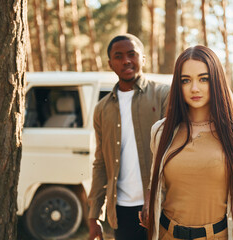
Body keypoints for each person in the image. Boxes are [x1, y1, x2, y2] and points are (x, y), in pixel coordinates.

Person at [141, 45, 233, 240]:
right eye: (186, 80)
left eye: (203, 78)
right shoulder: (161, 131)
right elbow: (157, 186)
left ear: (216, 80)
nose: (194, 88)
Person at [88, 33, 170, 240]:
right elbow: (100, 162)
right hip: (122, 210)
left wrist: (152, 198)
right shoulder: (101, 109)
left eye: (132, 54)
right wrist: (94, 214)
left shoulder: (163, 95)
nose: (126, 60)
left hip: (163, 205)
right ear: (110, 63)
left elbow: (170, 152)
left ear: (143, 58)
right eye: (119, 56)